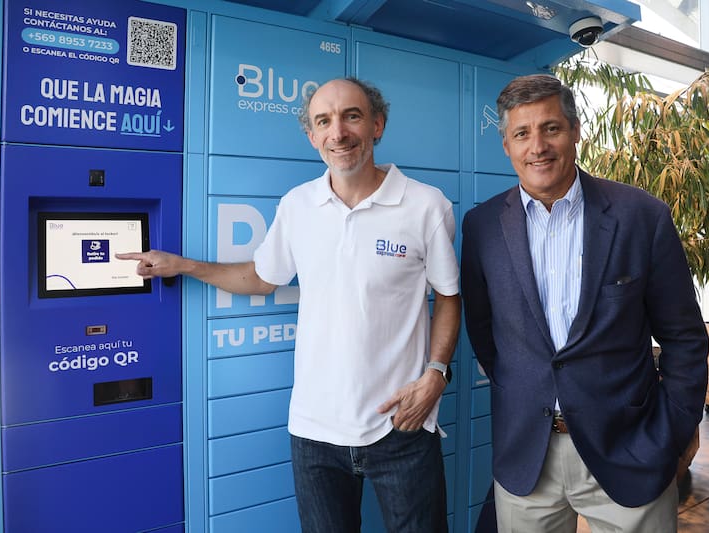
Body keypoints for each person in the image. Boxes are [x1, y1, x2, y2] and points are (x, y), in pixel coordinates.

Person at [118, 77, 460, 532]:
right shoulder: (298, 206)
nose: (338, 132)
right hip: (314, 434)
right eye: (324, 121)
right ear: (312, 136)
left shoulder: (425, 205)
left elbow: (449, 296)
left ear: (377, 125)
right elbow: (262, 278)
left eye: (352, 117)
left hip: (401, 426)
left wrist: (435, 375)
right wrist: (182, 265)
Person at [460, 74, 709, 533]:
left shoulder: (642, 216)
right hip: (527, 459)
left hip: (630, 451)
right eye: (522, 133)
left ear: (575, 131)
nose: (538, 146)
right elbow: (485, 334)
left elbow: (685, 338)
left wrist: (671, 431)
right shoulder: (482, 227)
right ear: (507, 145)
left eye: (551, 128)